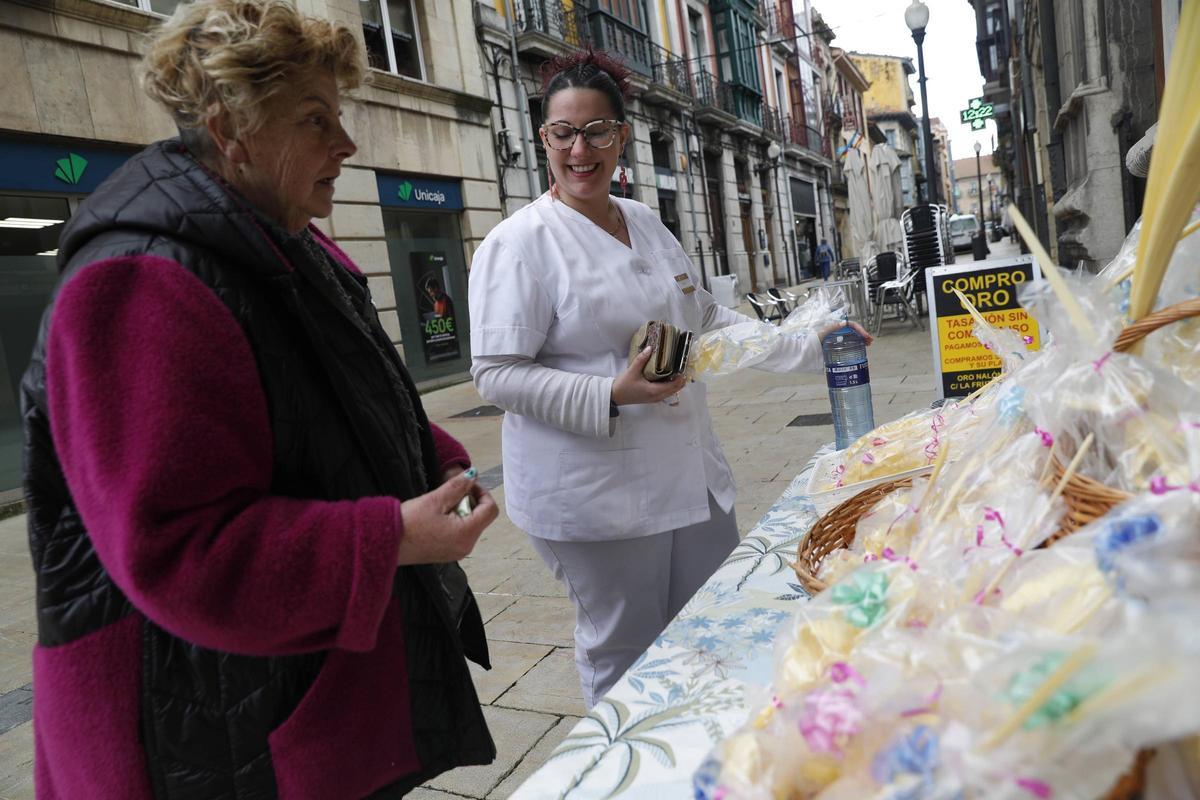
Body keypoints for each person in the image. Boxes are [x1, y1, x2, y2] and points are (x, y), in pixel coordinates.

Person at [20, 1, 499, 797]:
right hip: (196, 737)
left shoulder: (290, 242)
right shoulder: (141, 283)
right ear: (229, 128)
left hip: (283, 701)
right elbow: (179, 551)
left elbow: (338, 398)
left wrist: (426, 458)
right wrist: (390, 537)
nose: (345, 144)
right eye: (316, 119)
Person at [467, 49, 873, 708]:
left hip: (689, 476)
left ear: (621, 136)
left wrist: (809, 342)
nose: (580, 148)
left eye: (597, 130)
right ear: (542, 137)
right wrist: (609, 392)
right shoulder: (519, 246)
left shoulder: (648, 223)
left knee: (716, 631)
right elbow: (496, 374)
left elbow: (707, 320)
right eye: (562, 132)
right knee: (626, 653)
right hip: (596, 498)